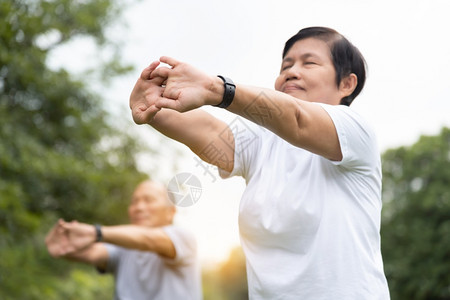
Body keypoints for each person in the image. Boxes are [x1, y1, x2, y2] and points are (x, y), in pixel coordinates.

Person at [129, 27, 390, 299]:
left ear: (346, 84)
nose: (291, 71)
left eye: (309, 62)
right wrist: (153, 107)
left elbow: (298, 120)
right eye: (286, 65)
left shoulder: (356, 132)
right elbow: (209, 134)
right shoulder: (262, 142)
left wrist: (216, 89)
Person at [45, 180, 202, 300]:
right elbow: (91, 253)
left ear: (171, 212)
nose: (139, 207)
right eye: (134, 201)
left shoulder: (183, 237)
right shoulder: (123, 247)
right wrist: (64, 245)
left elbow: (150, 240)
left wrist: (96, 232)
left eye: (148, 200)